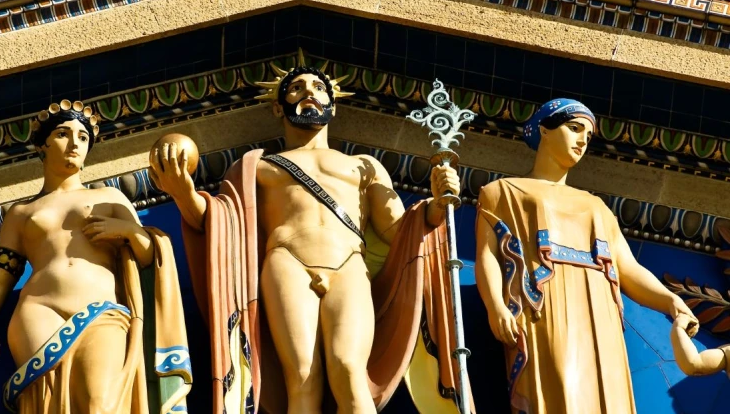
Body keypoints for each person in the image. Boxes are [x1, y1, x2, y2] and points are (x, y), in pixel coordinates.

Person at [151, 60, 472, 414]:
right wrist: (183, 192)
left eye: (319, 88)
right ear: (278, 106)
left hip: (349, 264)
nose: (310, 94)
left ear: (332, 105)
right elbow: (221, 225)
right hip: (287, 261)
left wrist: (436, 208)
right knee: (302, 376)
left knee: (348, 368)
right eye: (297, 88)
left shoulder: (363, 166)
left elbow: (402, 233)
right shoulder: (257, 167)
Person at [0, 100, 191, 414]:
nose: (74, 143)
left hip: (100, 310)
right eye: (63, 134)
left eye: (82, 137)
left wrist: (129, 231)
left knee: (100, 404)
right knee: (48, 405)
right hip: (37, 310)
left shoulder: (108, 197)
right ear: (42, 146)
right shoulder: (21, 213)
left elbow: (149, 256)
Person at [474, 98, 698, 413]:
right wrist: (495, 305)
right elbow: (488, 256)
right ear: (544, 130)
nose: (582, 141)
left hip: (599, 313)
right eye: (575, 128)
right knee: (557, 392)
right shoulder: (502, 192)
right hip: (545, 308)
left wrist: (670, 301)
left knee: (604, 397)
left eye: (588, 136)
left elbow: (628, 269)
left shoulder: (596, 207)